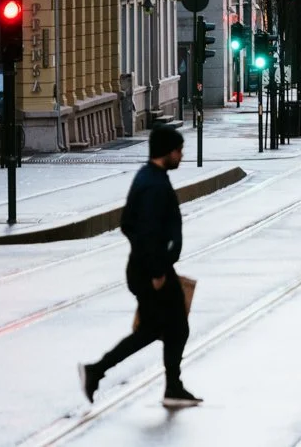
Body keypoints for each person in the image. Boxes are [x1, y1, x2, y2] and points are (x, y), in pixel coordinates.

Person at [80, 126, 202, 410]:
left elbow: (127, 223)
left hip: (150, 267)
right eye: (178, 150)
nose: (181, 156)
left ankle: (173, 386)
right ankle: (96, 370)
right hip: (152, 271)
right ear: (167, 152)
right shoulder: (153, 185)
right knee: (154, 330)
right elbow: (145, 231)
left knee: (174, 328)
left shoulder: (150, 178)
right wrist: (157, 271)